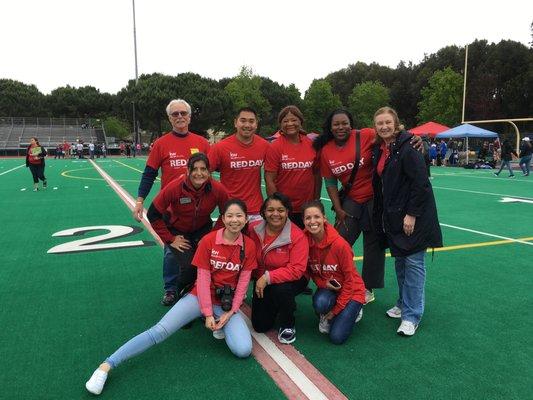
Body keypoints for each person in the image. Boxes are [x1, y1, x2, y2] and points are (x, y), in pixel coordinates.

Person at [85, 199, 257, 396]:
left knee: (243, 350)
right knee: (159, 331)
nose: (234, 220)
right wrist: (208, 314)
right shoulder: (209, 241)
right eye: (230, 215)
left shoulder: (249, 246)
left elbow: (243, 284)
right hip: (199, 297)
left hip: (225, 304)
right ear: (223, 218)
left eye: (239, 216)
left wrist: (231, 313)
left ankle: (221, 324)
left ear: (245, 219)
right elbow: (202, 280)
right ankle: (106, 365)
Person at [372, 107, 442, 336]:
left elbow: (420, 183)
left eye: (387, 122)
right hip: (394, 216)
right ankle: (403, 303)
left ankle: (412, 316)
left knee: (413, 264)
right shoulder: (381, 148)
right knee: (401, 262)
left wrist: (411, 214)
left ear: (396, 123)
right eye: (379, 123)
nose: (384, 126)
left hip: (414, 217)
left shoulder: (409, 146)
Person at [133, 99, 210, 306]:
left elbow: (211, 172)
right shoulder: (161, 143)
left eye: (183, 113)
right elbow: (149, 174)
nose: (179, 117)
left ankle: (196, 288)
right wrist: (140, 200)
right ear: (169, 118)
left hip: (198, 210)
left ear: (190, 116)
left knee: (199, 251)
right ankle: (170, 288)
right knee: (171, 253)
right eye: (175, 114)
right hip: (171, 211)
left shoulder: (202, 143)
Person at [313, 109, 385, 304]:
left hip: (374, 199)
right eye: (336, 124)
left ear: (351, 124)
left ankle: (367, 287)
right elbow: (330, 183)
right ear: (330, 127)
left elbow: (389, 136)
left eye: (344, 123)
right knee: (339, 241)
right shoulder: (326, 150)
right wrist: (338, 208)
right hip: (351, 200)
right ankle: (336, 279)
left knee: (373, 243)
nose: (340, 127)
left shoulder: (367, 135)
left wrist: (412, 140)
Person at [147, 152, 227, 308]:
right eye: (194, 169)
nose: (199, 173)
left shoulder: (217, 188)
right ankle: (179, 299)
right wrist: (170, 238)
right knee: (189, 265)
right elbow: (153, 214)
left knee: (205, 263)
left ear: (209, 171)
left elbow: (227, 213)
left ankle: (202, 294)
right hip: (177, 229)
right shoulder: (175, 187)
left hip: (202, 229)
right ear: (187, 170)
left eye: (203, 169)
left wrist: (212, 236)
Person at [248, 192, 309, 344]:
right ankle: (278, 303)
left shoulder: (297, 235)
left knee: (281, 290)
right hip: (264, 279)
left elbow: (296, 270)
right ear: (263, 212)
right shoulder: (253, 229)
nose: (275, 214)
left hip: (292, 280)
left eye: (281, 210)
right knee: (260, 326)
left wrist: (267, 278)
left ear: (288, 212)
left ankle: (288, 323)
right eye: (270, 210)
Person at [302, 200, 366, 344]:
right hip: (330, 290)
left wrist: (335, 311)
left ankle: (355, 309)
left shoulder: (340, 245)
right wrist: (324, 283)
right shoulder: (303, 242)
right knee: (320, 302)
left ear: (324, 218)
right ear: (303, 221)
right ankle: (331, 312)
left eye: (317, 217)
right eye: (308, 218)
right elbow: (313, 274)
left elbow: (350, 281)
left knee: (336, 337)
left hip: (352, 291)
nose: (313, 221)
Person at [264, 105, 321, 229]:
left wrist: (316, 201)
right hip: (285, 209)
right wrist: (277, 207)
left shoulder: (311, 144)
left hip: (307, 208)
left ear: (300, 121)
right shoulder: (275, 147)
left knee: (308, 243)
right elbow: (269, 179)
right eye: (285, 121)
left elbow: (317, 174)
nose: (290, 123)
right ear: (280, 124)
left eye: (294, 120)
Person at [209, 107, 270, 221]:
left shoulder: (265, 146)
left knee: (255, 240)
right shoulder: (220, 147)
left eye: (251, 121)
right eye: (243, 120)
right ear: (235, 123)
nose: (247, 125)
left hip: (256, 210)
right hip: (230, 210)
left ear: (256, 124)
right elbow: (204, 173)